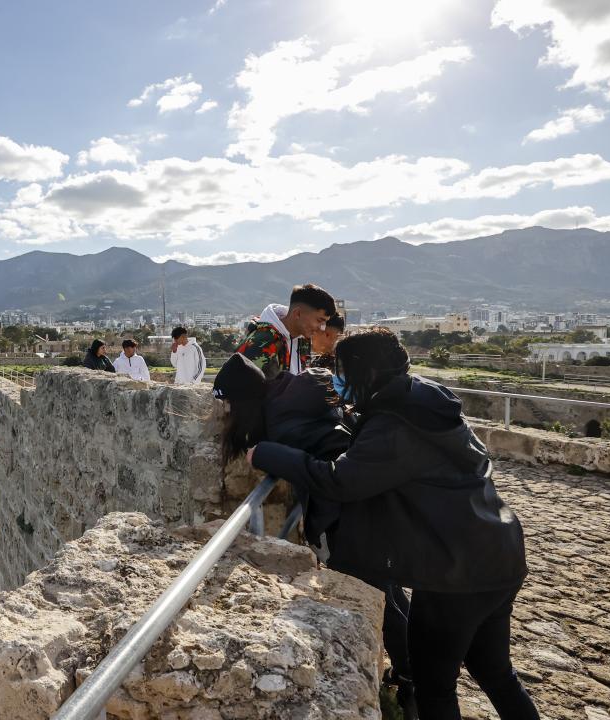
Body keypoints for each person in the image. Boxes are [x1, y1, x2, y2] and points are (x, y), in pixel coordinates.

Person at [247, 328, 537, 720]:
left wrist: (266, 453)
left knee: (435, 690)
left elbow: (339, 481)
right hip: (499, 550)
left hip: (456, 572)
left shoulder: (395, 427)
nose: (336, 380)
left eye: (342, 372)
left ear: (365, 374)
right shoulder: (424, 399)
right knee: (496, 672)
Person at [211, 353, 419, 715]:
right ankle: (415, 666)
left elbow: (317, 468)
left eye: (228, 403)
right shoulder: (289, 398)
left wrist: (266, 454)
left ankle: (413, 680)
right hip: (369, 504)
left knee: (378, 593)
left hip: (353, 512)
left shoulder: (284, 421)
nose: (226, 412)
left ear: (242, 401)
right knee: (387, 590)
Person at [236, 283, 337, 378]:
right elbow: (237, 385)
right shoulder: (261, 341)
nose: (321, 328)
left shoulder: (303, 339)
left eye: (324, 323)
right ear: (297, 313)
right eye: (319, 320)